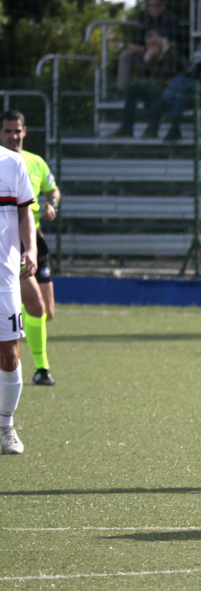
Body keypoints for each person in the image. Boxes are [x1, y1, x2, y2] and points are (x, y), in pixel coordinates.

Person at [0, 111, 59, 387]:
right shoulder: (5, 163)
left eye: (17, 131)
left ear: (25, 131)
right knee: (34, 303)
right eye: (7, 131)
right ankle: (41, 369)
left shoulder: (34, 162)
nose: (13, 136)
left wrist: (52, 205)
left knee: (47, 311)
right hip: (13, 243)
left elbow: (53, 190)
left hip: (35, 238)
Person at [0, 145, 38, 454]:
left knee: (10, 354)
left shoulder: (13, 163)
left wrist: (31, 248)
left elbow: (25, 212)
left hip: (5, 277)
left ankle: (6, 427)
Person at [111, 31, 186, 139]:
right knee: (132, 89)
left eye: (155, 43)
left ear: (160, 42)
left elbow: (162, 76)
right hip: (153, 86)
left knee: (155, 89)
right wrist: (149, 60)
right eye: (149, 44)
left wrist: (153, 60)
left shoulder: (171, 53)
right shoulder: (148, 55)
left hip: (168, 89)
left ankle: (152, 129)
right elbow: (142, 76)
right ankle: (126, 128)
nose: (152, 46)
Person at [159, 35, 201, 142]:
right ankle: (174, 129)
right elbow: (190, 75)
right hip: (194, 91)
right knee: (181, 90)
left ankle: (163, 103)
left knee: (180, 80)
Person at [117, 0, 181, 93]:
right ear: (148, 7)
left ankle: (153, 88)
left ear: (163, 6)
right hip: (145, 53)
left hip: (163, 56)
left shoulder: (171, 20)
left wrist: (151, 48)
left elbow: (169, 43)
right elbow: (139, 41)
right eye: (152, 5)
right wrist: (134, 47)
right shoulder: (146, 20)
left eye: (157, 5)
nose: (154, 8)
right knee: (125, 55)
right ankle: (121, 90)